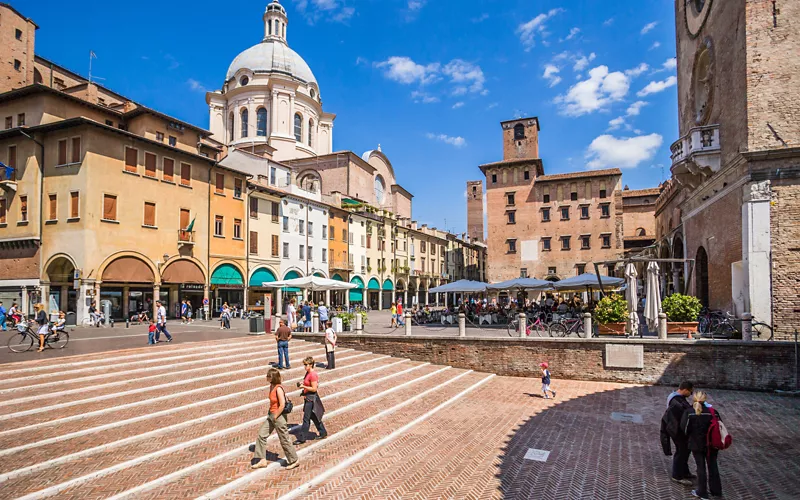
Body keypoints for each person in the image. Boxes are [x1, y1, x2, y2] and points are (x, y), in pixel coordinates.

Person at [251, 368, 299, 470]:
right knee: (261, 435)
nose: (266, 377)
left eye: (268, 376)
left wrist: (275, 416)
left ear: (272, 377)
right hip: (271, 415)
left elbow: (282, 405)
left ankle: (294, 460)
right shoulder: (271, 386)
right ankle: (262, 459)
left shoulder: (278, 388)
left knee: (284, 439)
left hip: (279, 416)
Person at [681, 391, 723, 499]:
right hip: (711, 444)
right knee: (713, 466)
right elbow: (720, 427)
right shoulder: (713, 412)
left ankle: (702, 491)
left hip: (696, 444)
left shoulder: (689, 412)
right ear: (705, 399)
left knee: (700, 467)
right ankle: (716, 491)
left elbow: (684, 429)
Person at [660, 381, 695, 485]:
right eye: (690, 392)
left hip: (675, 428)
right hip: (677, 430)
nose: (691, 394)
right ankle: (677, 475)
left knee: (685, 450)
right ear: (685, 390)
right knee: (681, 451)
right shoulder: (677, 402)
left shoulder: (673, 396)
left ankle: (684, 471)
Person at [294, 356, 327, 444]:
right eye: (304, 364)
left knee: (306, 419)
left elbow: (314, 389)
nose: (304, 366)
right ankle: (323, 432)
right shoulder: (308, 373)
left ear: (311, 365)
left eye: (306, 365)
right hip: (308, 397)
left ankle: (302, 438)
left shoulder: (313, 375)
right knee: (314, 416)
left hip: (311, 399)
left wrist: (303, 386)